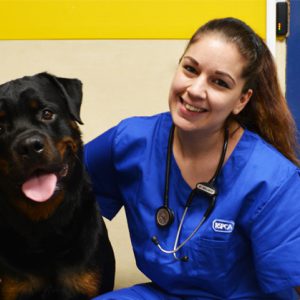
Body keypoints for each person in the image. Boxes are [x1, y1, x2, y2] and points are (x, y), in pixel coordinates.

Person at [84, 17, 300, 299]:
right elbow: (57, 187)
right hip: (163, 294)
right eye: (190, 69)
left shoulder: (272, 179)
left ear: (241, 100)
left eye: (220, 83)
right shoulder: (132, 141)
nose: (195, 90)